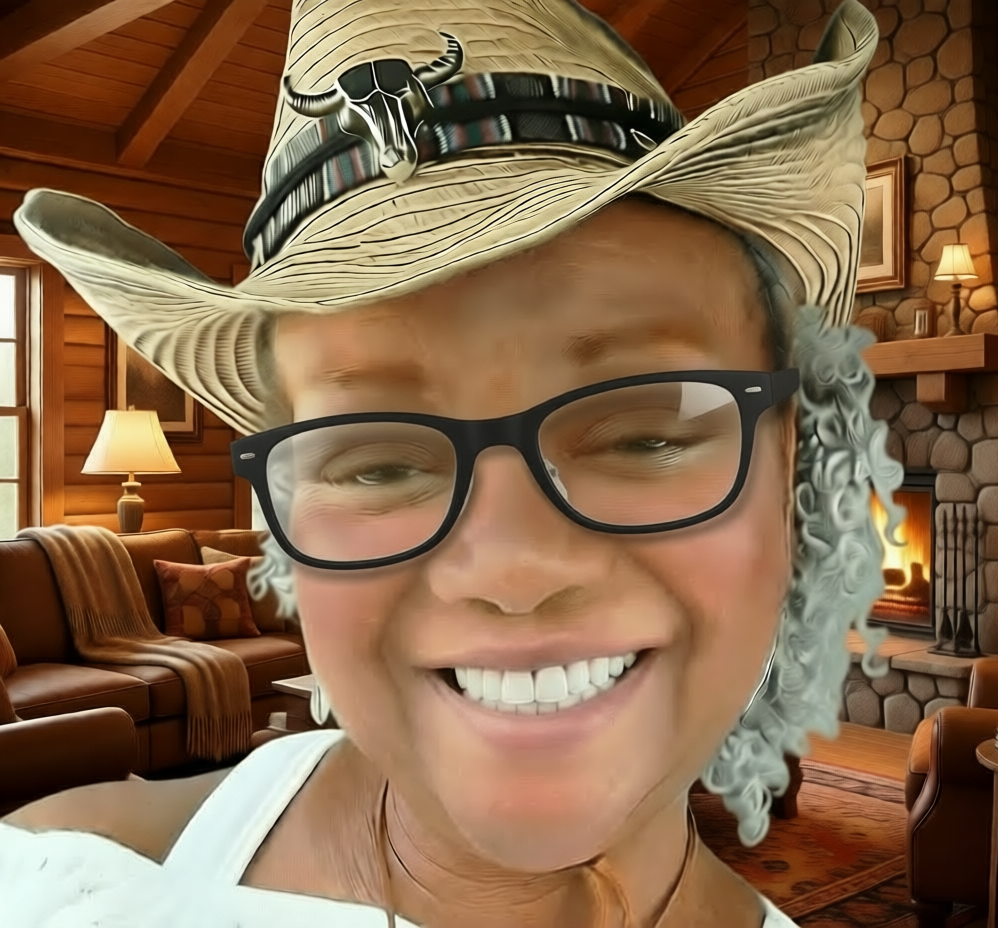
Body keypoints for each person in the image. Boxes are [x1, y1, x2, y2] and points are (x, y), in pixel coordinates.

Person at [0, 1, 904, 925]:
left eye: (646, 432)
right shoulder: (64, 883)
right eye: (380, 460)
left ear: (784, 471)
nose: (511, 568)